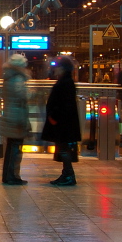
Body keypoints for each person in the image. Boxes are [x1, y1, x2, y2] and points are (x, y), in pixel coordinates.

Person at [42, 56, 81, 186]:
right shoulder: (66, 81)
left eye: (58, 67)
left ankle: (69, 175)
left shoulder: (65, 82)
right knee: (63, 148)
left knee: (64, 149)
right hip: (64, 121)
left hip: (63, 122)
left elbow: (63, 103)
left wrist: (54, 116)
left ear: (63, 68)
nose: (55, 70)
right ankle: (67, 174)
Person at [1, 54, 31, 185]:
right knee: (15, 148)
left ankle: (8, 175)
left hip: (10, 115)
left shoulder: (8, 77)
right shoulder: (18, 79)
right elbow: (22, 97)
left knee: (11, 147)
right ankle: (12, 176)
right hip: (17, 117)